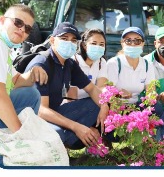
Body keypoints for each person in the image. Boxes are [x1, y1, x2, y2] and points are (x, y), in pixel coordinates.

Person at [25, 22, 108, 150]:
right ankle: (60, 144)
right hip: (31, 118)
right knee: (58, 133)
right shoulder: (42, 64)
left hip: (52, 112)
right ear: (52, 40)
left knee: (95, 105)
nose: (69, 43)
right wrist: (76, 127)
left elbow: (91, 88)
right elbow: (40, 110)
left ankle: (69, 140)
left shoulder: (69, 63)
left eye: (73, 40)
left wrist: (104, 105)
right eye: (64, 39)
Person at [0, 4, 45, 133]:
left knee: (30, 93)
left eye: (27, 29)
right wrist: (20, 133)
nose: (22, 29)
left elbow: (15, 80)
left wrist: (33, 73)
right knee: (31, 94)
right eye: (18, 22)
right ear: (2, 20)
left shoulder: (1, 45)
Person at [102, 27, 157, 105]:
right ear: (122, 43)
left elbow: (151, 90)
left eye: (137, 41)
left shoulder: (147, 64)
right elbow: (108, 91)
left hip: (137, 105)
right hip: (116, 105)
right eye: (128, 41)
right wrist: (118, 93)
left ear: (143, 43)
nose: (133, 44)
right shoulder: (114, 63)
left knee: (157, 108)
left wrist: (149, 103)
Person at [68, 28, 107, 100]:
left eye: (101, 44)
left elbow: (101, 88)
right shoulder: (73, 61)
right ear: (84, 45)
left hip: (92, 101)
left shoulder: (101, 62)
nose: (98, 47)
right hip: (74, 103)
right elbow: (71, 98)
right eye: (94, 43)